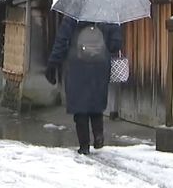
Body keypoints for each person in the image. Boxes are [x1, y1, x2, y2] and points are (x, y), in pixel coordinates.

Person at [45, 15, 123, 155]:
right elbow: (115, 45)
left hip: (77, 64)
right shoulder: (107, 14)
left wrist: (53, 63)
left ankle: (84, 145)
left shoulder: (73, 14)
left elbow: (62, 41)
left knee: (80, 106)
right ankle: (98, 134)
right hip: (100, 65)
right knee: (96, 101)